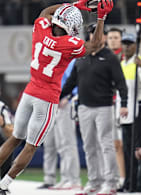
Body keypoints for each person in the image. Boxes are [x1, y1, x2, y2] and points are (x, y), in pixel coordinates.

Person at [0, 0, 114, 195]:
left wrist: (73, 6)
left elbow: (46, 12)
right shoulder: (69, 43)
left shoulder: (41, 28)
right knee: (30, 147)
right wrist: (101, 17)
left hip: (30, 90)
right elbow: (94, 46)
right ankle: (3, 186)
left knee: (15, 137)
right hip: (46, 97)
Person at [61, 23, 128, 195]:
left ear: (104, 37)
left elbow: (121, 83)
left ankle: (111, 182)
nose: (96, 36)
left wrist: (125, 103)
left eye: (99, 34)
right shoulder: (81, 56)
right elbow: (71, 82)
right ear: (89, 36)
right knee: (89, 146)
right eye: (92, 33)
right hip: (84, 107)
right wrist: (57, 96)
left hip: (104, 107)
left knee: (106, 145)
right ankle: (94, 182)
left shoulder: (110, 57)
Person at [117, 32, 141, 192]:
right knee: (127, 149)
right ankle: (129, 183)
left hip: (139, 108)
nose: (126, 46)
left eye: (130, 43)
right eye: (124, 43)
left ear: (135, 45)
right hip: (125, 112)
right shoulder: (121, 63)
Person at [38, 58, 81, 190]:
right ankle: (61, 178)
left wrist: (68, 97)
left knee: (68, 143)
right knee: (53, 143)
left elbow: (78, 80)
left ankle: (73, 180)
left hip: (64, 103)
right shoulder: (48, 58)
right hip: (50, 103)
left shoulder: (72, 59)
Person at [107, 26, 126, 188]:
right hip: (106, 103)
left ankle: (123, 177)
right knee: (110, 143)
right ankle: (113, 176)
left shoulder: (125, 57)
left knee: (120, 143)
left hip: (120, 103)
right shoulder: (104, 56)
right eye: (110, 37)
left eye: (116, 37)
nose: (113, 40)